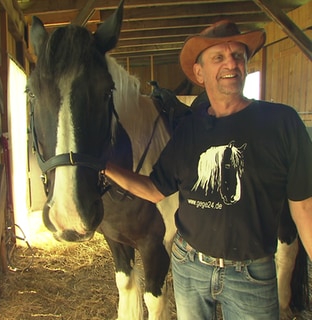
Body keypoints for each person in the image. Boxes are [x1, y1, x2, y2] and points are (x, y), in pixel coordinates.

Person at [105, 20, 312, 319]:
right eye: (219, 57)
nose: (231, 63)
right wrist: (106, 166)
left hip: (251, 274)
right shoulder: (188, 128)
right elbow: (153, 189)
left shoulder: (282, 123)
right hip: (190, 269)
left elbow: (304, 207)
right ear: (200, 73)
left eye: (238, 56)